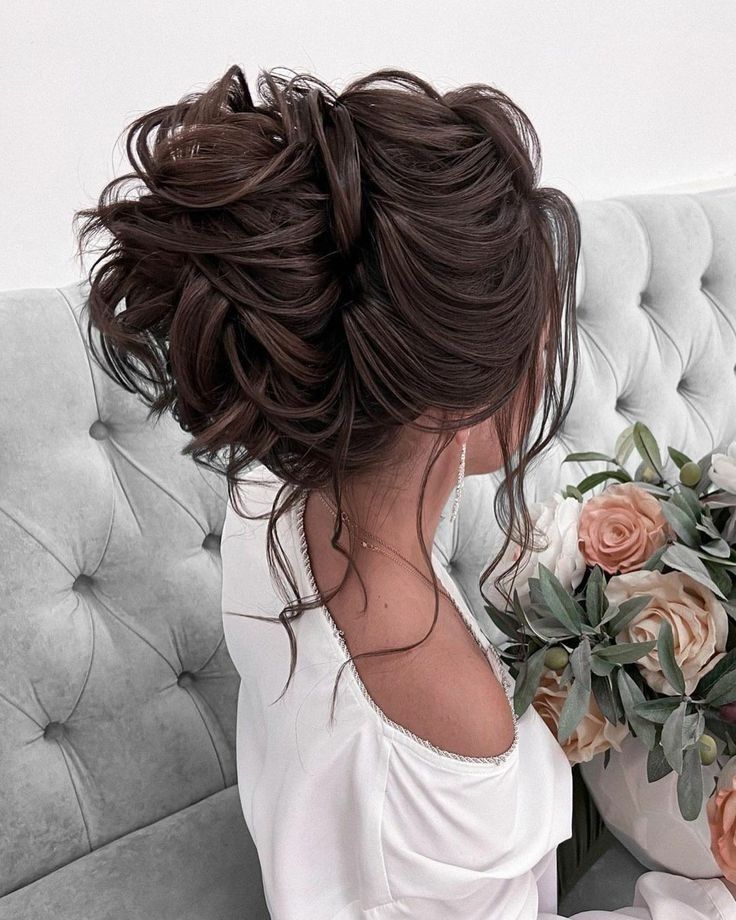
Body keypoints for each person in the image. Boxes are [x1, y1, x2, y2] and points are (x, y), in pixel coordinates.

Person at [74, 63, 736, 919]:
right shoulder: (449, 723)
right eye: (535, 338)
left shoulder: (274, 492)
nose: (541, 367)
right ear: (450, 401)